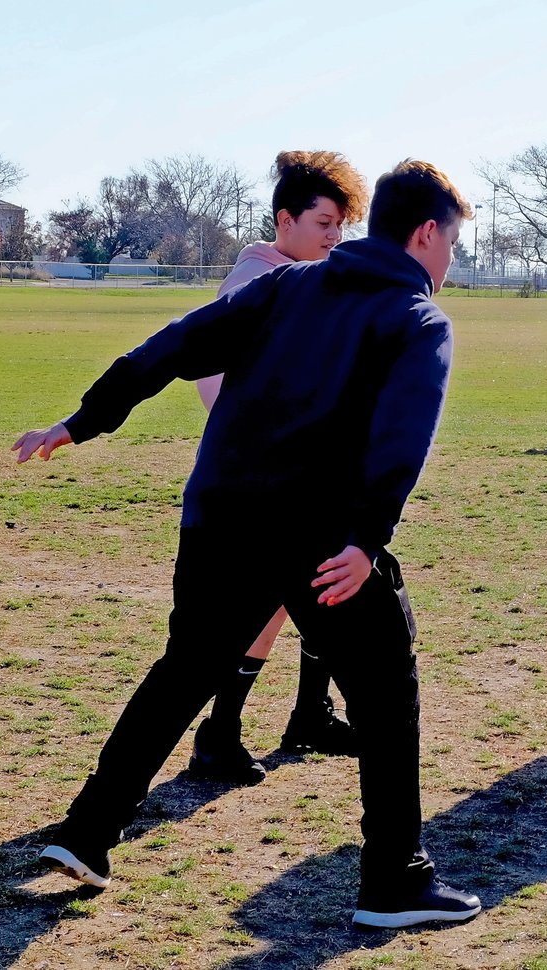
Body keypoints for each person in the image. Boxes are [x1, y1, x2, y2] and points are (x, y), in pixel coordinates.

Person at [14, 159, 483, 929]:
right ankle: (394, 882)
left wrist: (81, 420)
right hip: (323, 541)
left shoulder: (285, 285)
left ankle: (88, 832)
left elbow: (167, 349)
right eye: (453, 243)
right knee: (387, 692)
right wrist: (369, 539)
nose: (451, 261)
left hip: (221, 519)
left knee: (183, 672)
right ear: (427, 232)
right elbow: (402, 441)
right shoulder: (417, 317)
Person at [190, 151, 371, 787]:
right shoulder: (257, 280)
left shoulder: (304, 276)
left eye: (341, 224)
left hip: (305, 472)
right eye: (324, 222)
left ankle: (309, 713)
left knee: (321, 589)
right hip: (263, 478)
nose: (335, 237)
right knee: (264, 604)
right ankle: (218, 736)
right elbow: (220, 379)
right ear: (284, 219)